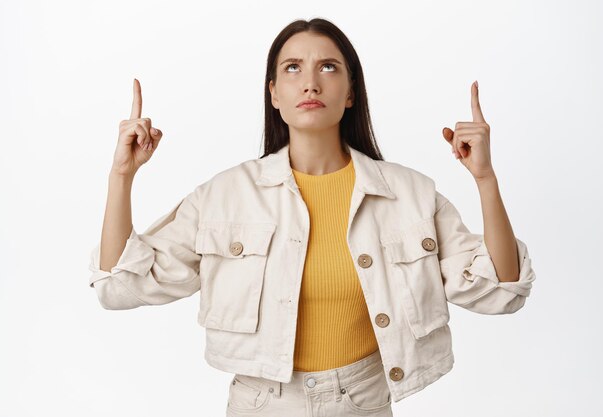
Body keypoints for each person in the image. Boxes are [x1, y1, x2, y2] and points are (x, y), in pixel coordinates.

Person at [88, 17, 536, 417]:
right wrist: (121, 176)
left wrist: (485, 179)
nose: (310, 83)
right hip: (261, 405)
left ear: (350, 93)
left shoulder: (410, 194)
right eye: (292, 68)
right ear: (274, 94)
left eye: (327, 67)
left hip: (364, 402)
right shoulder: (223, 196)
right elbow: (120, 285)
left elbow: (500, 289)